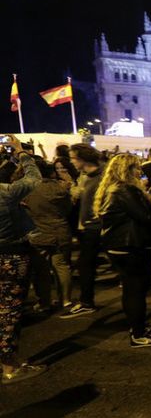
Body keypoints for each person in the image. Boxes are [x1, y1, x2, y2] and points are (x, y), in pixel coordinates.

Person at [94, 153, 151, 348]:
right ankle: (138, 334)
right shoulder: (123, 190)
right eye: (136, 168)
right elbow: (146, 217)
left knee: (132, 289)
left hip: (119, 245)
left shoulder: (114, 188)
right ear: (126, 170)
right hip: (129, 246)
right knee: (135, 290)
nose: (139, 172)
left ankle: (138, 327)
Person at [0, 136, 46, 383]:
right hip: (10, 255)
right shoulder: (6, 193)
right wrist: (21, 152)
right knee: (9, 310)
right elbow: (33, 178)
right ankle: (9, 366)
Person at [61, 143, 106, 318]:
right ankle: (87, 300)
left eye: (73, 158)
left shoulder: (100, 177)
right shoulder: (87, 176)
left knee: (85, 264)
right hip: (88, 227)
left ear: (83, 159)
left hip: (96, 227)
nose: (71, 162)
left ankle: (87, 302)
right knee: (86, 264)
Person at [24, 159, 74, 311]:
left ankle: (44, 301)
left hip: (38, 232)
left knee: (40, 270)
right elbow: (68, 209)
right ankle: (65, 300)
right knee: (62, 266)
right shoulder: (59, 187)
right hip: (60, 230)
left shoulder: (27, 189)